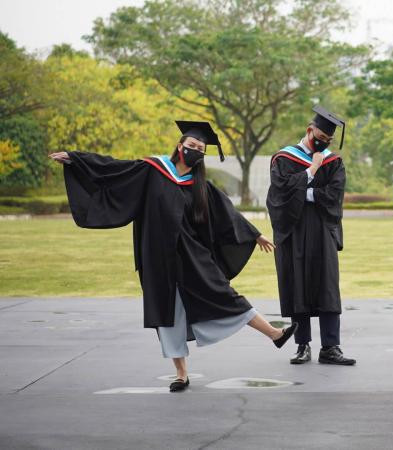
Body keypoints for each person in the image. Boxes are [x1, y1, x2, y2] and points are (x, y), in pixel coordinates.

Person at [49, 120, 297, 392]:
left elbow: (226, 214)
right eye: (191, 145)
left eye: (200, 149)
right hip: (157, 255)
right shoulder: (152, 170)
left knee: (224, 294)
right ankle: (181, 374)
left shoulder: (200, 185)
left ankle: (275, 334)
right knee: (167, 312)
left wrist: (254, 234)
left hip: (192, 255)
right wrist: (76, 159)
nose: (195, 150)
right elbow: (114, 168)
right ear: (180, 146)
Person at [266, 106, 355, 366]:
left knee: (327, 286)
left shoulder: (333, 161)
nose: (323, 143)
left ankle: (330, 347)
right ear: (309, 130)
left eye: (328, 140)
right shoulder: (283, 158)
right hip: (293, 231)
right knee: (297, 285)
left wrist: (304, 192)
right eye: (321, 137)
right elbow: (279, 194)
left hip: (322, 230)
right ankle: (302, 345)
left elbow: (334, 195)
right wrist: (311, 172)